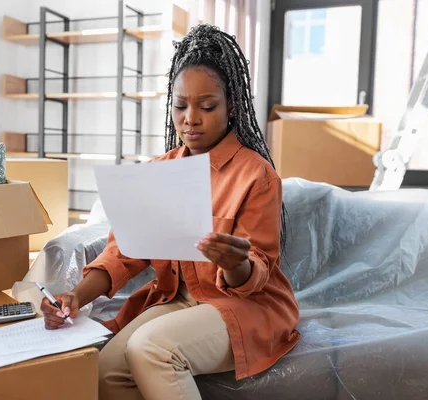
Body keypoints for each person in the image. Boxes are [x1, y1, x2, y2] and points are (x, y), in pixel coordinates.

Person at [41, 24, 301, 400]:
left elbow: (254, 275)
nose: (190, 119)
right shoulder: (157, 171)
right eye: (180, 106)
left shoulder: (256, 175)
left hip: (247, 305)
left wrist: (234, 263)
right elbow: (121, 254)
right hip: (180, 300)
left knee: (150, 347)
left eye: (207, 106)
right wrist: (76, 297)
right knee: (106, 367)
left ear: (231, 105)